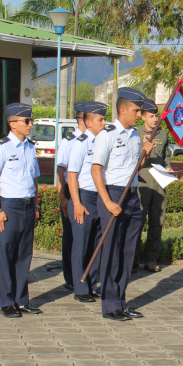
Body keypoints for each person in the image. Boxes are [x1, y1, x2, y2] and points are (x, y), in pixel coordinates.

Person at [91, 87, 154, 321]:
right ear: (123, 109)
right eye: (136, 110)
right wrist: (107, 201)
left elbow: (134, 169)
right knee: (112, 252)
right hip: (113, 194)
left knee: (128, 252)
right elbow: (96, 169)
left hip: (132, 194)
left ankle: (121, 300)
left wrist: (145, 153)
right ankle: (109, 305)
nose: (139, 114)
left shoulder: (135, 135)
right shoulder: (107, 135)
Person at [0, 103, 42, 318]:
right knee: (5, 256)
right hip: (9, 206)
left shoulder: (29, 146)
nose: (30, 125)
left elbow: (34, 179)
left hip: (27, 206)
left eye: (31, 121)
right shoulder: (2, 147)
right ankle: (6, 301)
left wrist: (36, 205)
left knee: (23, 256)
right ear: (12, 123)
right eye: (26, 121)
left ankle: (21, 299)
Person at [66, 102, 108, 302]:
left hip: (99, 197)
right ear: (88, 123)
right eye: (100, 119)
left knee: (95, 245)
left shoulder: (103, 141)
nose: (104, 122)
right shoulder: (80, 143)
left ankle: (91, 284)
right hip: (83, 197)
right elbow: (71, 175)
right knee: (81, 245)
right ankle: (80, 288)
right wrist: (76, 203)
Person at [136, 98, 173, 273]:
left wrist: (168, 166)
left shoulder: (162, 134)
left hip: (159, 182)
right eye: (151, 116)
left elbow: (166, 154)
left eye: (156, 116)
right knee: (138, 221)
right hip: (142, 181)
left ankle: (151, 259)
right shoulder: (136, 133)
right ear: (143, 117)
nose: (155, 119)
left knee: (157, 221)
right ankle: (133, 258)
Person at [57, 102, 88, 291]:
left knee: (87, 236)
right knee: (71, 236)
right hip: (70, 190)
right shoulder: (69, 141)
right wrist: (62, 197)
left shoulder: (95, 139)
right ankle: (70, 277)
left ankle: (85, 274)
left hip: (87, 191)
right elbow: (61, 171)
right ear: (81, 120)